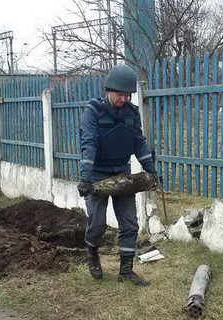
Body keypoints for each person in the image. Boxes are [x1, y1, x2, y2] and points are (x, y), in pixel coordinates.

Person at [77, 64, 157, 286]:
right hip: (96, 176)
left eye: (127, 95)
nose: (123, 99)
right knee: (97, 224)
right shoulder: (93, 112)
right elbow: (89, 144)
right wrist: (85, 177)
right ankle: (92, 254)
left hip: (122, 174)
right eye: (119, 95)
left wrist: (150, 169)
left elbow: (138, 141)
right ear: (109, 90)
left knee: (130, 224)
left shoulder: (132, 113)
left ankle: (126, 271)